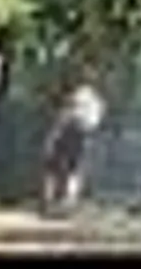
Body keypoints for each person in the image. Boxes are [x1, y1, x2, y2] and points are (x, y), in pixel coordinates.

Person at [38, 78, 107, 218]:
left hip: (74, 133)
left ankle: (54, 202)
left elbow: (67, 118)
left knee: (58, 168)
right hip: (83, 134)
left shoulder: (82, 97)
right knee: (72, 170)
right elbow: (94, 122)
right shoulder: (96, 101)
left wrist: (54, 138)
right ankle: (64, 202)